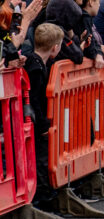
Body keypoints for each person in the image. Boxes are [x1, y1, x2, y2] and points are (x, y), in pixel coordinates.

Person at [25, 23, 65, 212]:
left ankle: (44, 196)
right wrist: (42, 125)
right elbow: (34, 98)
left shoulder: (37, 62)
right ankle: (42, 199)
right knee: (41, 159)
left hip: (35, 119)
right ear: (55, 47)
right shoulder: (36, 67)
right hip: (35, 121)